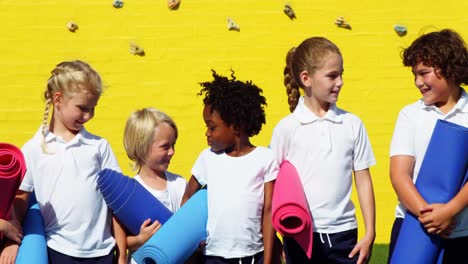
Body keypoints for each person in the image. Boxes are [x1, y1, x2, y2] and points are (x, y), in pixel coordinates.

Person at [2, 60, 126, 264]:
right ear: (58, 99)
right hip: (58, 250)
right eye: (82, 108)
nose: (89, 115)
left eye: (93, 108)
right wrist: (12, 241)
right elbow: (19, 202)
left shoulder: (99, 146)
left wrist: (121, 254)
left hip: (103, 251)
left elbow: (115, 203)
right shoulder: (34, 149)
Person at [270, 37, 376, 264]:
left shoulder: (352, 124)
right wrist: (276, 238)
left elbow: (363, 180)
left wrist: (370, 232)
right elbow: (271, 186)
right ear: (306, 78)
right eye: (332, 75)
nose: (340, 82)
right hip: (300, 234)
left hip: (345, 234)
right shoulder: (287, 128)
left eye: (341, 74)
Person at [182, 70, 280, 264]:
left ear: (235, 126)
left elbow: (269, 210)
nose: (207, 133)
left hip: (253, 256)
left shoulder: (265, 159)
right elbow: (187, 197)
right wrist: (192, 235)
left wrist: (268, 260)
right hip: (213, 257)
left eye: (212, 127)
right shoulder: (207, 158)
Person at [388, 29, 468, 263]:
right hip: (412, 226)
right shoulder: (410, 115)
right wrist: (429, 216)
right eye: (414, 75)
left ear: (449, 68)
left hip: (461, 232)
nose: (417, 82)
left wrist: (449, 211)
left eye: (423, 73)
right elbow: (399, 174)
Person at [122, 107, 187, 263]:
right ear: (142, 146)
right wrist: (139, 239)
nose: (172, 152)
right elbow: (117, 239)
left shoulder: (179, 184)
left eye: (173, 144)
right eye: (165, 146)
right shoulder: (129, 192)